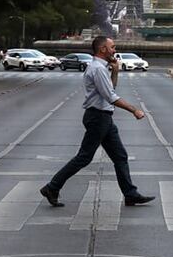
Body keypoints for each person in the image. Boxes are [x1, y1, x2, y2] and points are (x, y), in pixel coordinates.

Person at [40, 36, 155, 208]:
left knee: (120, 156)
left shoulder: (101, 68)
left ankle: (130, 194)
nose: (114, 50)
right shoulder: (98, 69)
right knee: (84, 157)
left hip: (103, 117)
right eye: (112, 47)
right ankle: (52, 187)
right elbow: (111, 97)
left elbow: (110, 89)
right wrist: (134, 110)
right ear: (103, 49)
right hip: (98, 117)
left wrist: (115, 71)